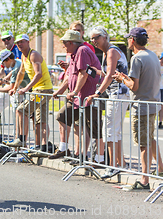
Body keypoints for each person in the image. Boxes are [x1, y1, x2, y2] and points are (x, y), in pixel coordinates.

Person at [112, 27, 163, 189]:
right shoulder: (153, 55)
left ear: (132, 40)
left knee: (143, 144)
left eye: (128, 38)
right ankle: (160, 168)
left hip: (141, 106)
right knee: (149, 138)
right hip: (152, 104)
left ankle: (144, 180)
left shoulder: (137, 58)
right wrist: (127, 79)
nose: (127, 41)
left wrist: (121, 79)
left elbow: (134, 86)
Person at [84, 26, 129, 178]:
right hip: (118, 95)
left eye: (96, 37)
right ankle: (120, 163)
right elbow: (106, 74)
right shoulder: (107, 52)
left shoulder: (111, 52)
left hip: (117, 94)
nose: (93, 41)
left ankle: (113, 166)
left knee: (109, 131)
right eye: (91, 38)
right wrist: (93, 71)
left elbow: (109, 76)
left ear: (105, 37)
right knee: (114, 131)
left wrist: (97, 93)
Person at [50, 30, 102, 160]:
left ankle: (98, 159)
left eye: (64, 43)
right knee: (62, 116)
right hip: (77, 98)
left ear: (71, 43)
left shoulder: (82, 51)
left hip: (88, 97)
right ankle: (64, 149)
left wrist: (74, 92)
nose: (63, 46)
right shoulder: (74, 54)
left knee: (93, 127)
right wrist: (60, 91)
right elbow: (71, 76)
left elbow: (83, 74)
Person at [8, 34, 54, 156]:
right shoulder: (24, 56)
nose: (19, 44)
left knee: (22, 110)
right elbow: (21, 73)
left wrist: (26, 88)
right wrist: (14, 88)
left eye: (22, 42)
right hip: (40, 91)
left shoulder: (34, 55)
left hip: (43, 91)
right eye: (18, 43)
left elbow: (38, 74)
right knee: (40, 120)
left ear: (28, 42)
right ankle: (42, 148)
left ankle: (22, 139)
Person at [0, 49, 30, 144]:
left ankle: (19, 141)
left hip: (21, 92)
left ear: (8, 59)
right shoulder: (15, 63)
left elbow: (11, 86)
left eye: (3, 62)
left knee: (18, 116)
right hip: (16, 89)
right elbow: (8, 77)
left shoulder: (17, 66)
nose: (3, 65)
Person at [159, 53, 163, 129]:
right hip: (157, 88)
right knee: (158, 106)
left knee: (162, 106)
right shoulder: (157, 65)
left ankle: (160, 121)